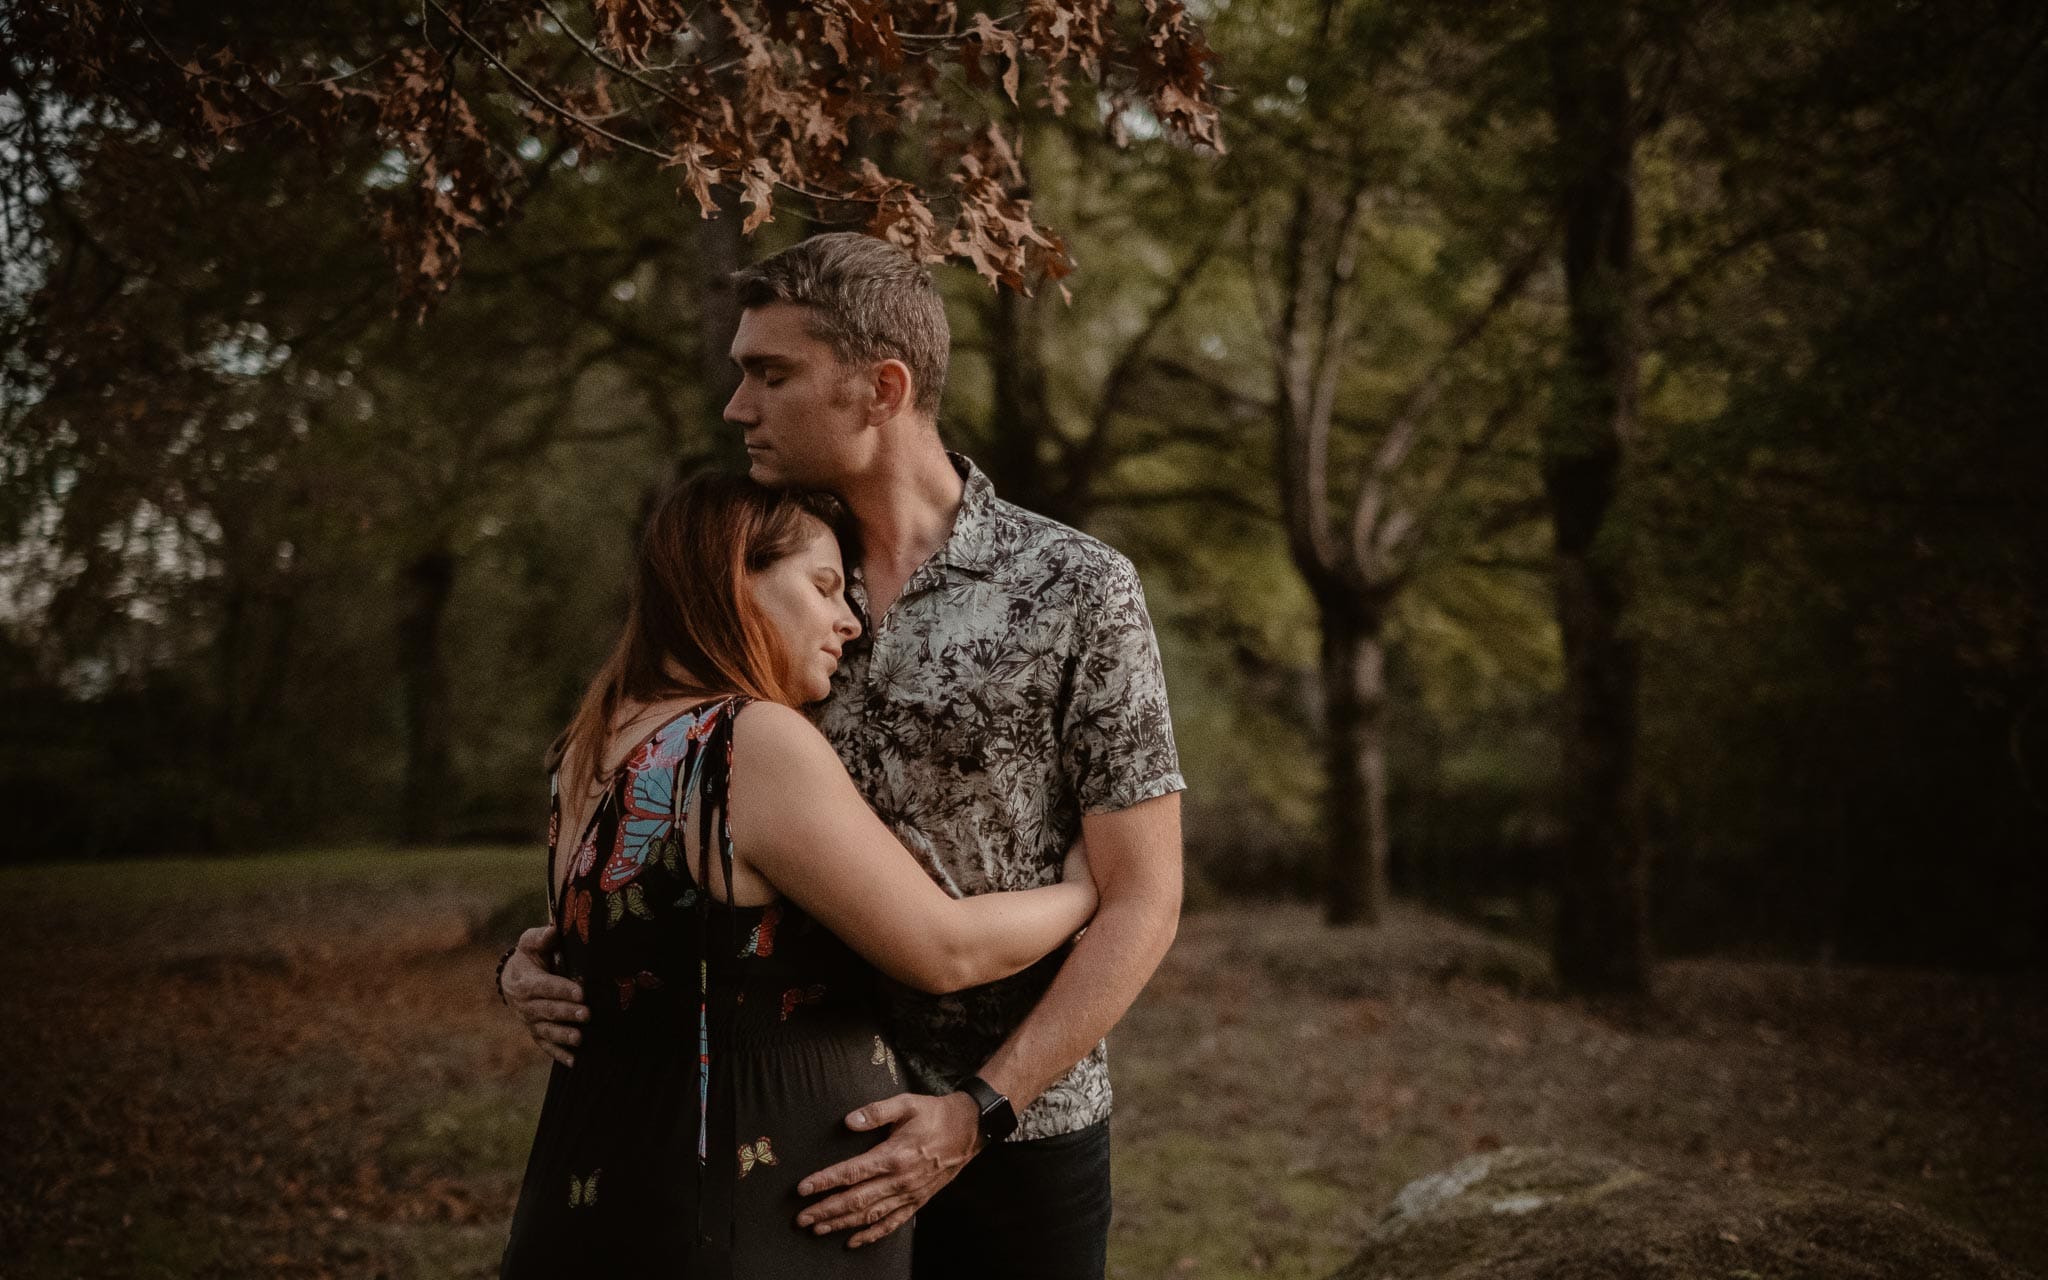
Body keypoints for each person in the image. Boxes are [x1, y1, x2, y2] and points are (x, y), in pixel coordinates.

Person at [501, 232, 1186, 1280]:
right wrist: (556, 952)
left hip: (1017, 1138)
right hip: (796, 1140)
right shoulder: (769, 567)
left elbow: (1141, 897)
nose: (736, 406)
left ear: (881, 387)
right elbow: (667, 792)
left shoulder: (1074, 588)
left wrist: (980, 1107)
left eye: (769, 373)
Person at [498, 473, 1101, 1278]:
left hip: (599, 1199)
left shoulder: (592, 742)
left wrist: (511, 968)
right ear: (732, 581)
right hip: (740, 1225)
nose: (849, 623)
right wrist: (1087, 892)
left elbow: (625, 956)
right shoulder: (749, 743)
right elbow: (946, 951)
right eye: (821, 587)